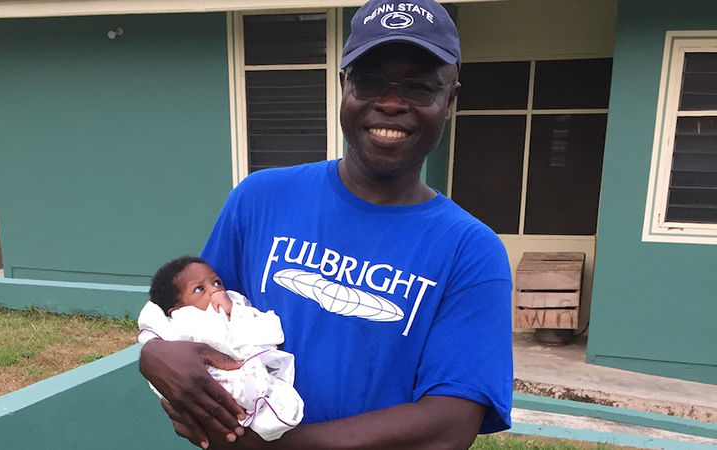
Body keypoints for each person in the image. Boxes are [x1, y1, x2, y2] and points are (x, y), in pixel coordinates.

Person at [139, 0, 513, 448]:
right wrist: (155, 353)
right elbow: (195, 320)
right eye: (370, 81)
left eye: (419, 87)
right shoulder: (259, 199)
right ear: (343, 87)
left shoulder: (470, 250)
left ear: (450, 100)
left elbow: (449, 426)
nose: (391, 103)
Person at [136, 256, 304, 441]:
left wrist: (235, 312)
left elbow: (268, 331)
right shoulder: (186, 319)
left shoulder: (234, 305)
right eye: (199, 289)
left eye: (217, 282)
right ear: (176, 308)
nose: (215, 289)